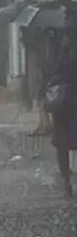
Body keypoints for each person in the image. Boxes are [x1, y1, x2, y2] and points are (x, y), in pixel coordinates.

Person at [51, 29, 77, 199]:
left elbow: (56, 74)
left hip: (64, 102)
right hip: (70, 102)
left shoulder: (64, 51)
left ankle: (66, 179)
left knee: (63, 143)